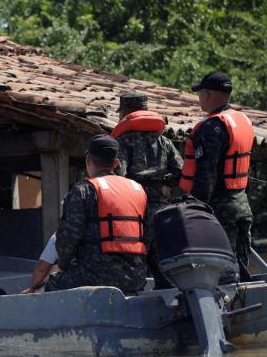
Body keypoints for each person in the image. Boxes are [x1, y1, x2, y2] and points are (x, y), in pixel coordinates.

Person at [45, 135, 148, 294]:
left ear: (88, 161)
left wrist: (63, 266)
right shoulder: (138, 190)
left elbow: (67, 238)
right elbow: (146, 235)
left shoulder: (83, 190)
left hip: (92, 275)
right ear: (116, 163)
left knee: (52, 284)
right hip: (135, 277)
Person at [180, 71, 255, 280]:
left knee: (221, 268)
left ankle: (223, 309)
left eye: (200, 94)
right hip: (242, 202)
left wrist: (196, 209)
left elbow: (206, 173)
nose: (199, 99)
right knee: (241, 261)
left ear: (208, 95)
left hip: (221, 207)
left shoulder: (212, 126)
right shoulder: (242, 120)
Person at [112, 91, 184, 289]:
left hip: (136, 211)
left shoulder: (123, 141)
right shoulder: (164, 141)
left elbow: (119, 176)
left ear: (125, 112)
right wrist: (165, 184)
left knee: (136, 259)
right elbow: (182, 172)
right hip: (162, 210)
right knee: (164, 261)